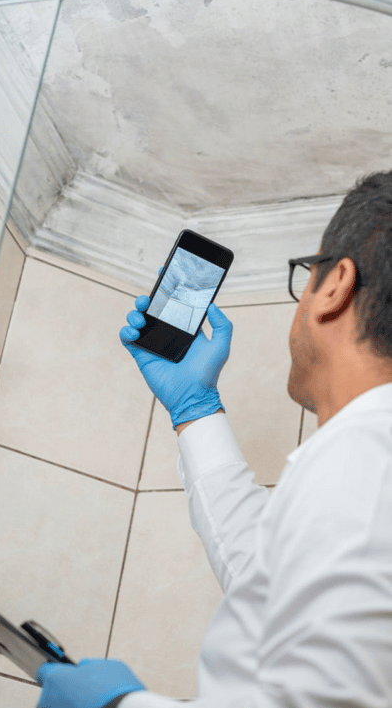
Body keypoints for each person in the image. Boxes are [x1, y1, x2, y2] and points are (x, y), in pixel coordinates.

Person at [35, 171, 392, 708]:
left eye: (307, 274)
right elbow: (264, 580)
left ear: (336, 287)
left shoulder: (366, 459)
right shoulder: (366, 469)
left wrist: (118, 706)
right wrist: (194, 411)